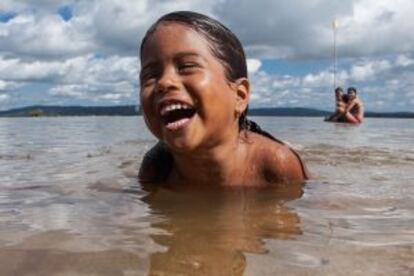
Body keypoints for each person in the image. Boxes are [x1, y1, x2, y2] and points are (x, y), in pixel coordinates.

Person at [138, 11, 308, 188]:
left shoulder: (276, 165)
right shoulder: (156, 168)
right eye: (150, 75)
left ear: (240, 96)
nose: (164, 82)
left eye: (186, 66)